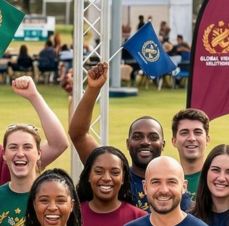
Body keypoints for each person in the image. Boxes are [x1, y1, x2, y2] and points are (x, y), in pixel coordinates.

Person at [66, 64, 164, 209]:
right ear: (128, 143)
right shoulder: (113, 175)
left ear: (163, 144)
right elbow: (78, 135)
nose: (145, 142)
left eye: (153, 137)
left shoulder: (172, 181)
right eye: (137, 137)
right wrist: (93, 89)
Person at [75, 146, 146, 226]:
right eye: (99, 172)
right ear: (89, 175)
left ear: (123, 178)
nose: (106, 178)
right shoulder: (73, 215)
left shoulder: (140, 219)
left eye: (115, 172)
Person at [0, 124, 42, 226]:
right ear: (4, 154)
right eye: (13, 147)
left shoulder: (52, 198)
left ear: (39, 153)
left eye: (27, 147)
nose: (20, 154)